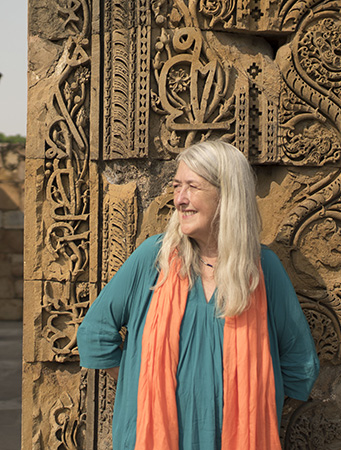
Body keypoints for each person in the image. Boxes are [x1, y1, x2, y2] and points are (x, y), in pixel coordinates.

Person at [76, 140, 319, 450]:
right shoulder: (154, 259)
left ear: (227, 194)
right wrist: (141, 384)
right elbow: (95, 332)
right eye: (177, 186)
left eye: (192, 187)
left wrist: (250, 406)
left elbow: (299, 362)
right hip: (153, 437)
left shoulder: (262, 270)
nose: (180, 199)